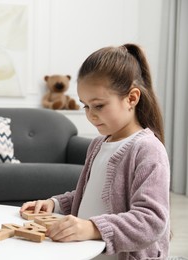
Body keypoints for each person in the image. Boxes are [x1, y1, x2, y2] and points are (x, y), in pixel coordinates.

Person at [20, 44, 170, 259]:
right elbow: (91, 195)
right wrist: (55, 204)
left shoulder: (147, 149)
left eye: (98, 106)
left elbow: (151, 220)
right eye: (85, 106)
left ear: (132, 98)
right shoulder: (98, 145)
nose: (91, 115)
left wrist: (92, 228)